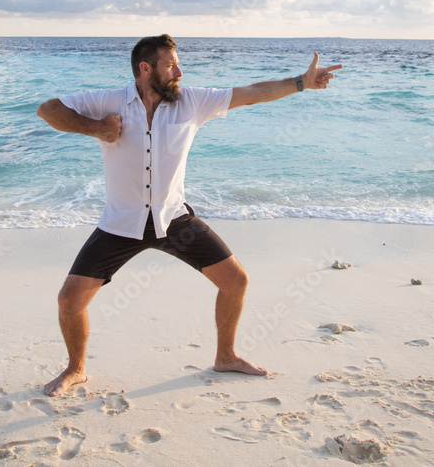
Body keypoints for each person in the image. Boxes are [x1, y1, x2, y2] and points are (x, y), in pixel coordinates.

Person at [36, 34, 342, 397]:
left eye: (178, 64)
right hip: (120, 223)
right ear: (145, 69)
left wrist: (301, 83)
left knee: (236, 281)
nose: (179, 72)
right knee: (69, 300)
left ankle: (225, 356)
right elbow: (48, 109)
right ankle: (77, 369)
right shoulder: (109, 101)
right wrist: (96, 127)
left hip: (174, 221)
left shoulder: (192, 101)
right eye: (170, 65)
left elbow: (253, 92)